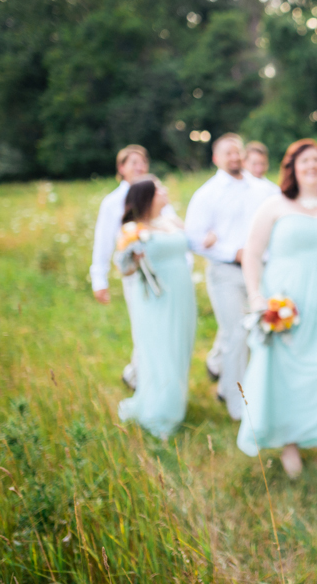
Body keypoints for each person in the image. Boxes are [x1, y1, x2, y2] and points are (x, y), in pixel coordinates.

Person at [237, 139, 317, 476]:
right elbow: (251, 252)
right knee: (287, 376)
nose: (312, 166)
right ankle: (289, 441)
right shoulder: (274, 205)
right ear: (291, 167)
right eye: (304, 161)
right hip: (288, 307)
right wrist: (255, 297)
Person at [184, 134, 276, 419]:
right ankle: (238, 405)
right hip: (225, 272)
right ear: (216, 158)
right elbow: (193, 238)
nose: (234, 157)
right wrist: (231, 251)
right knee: (235, 333)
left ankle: (234, 388)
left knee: (260, 332)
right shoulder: (207, 194)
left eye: (237, 152)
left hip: (262, 271)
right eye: (228, 153)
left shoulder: (263, 189)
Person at [90, 145, 177, 390]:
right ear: (121, 168)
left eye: (143, 162)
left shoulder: (157, 194)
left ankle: (139, 373)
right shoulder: (112, 203)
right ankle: (139, 376)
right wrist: (100, 279)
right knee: (144, 325)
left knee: (162, 326)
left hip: (164, 270)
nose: (139, 166)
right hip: (134, 273)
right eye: (133, 162)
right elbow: (104, 242)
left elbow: (171, 229)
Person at [117, 177, 197, 439]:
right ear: (148, 197)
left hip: (182, 295)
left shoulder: (172, 222)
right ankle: (160, 411)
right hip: (154, 298)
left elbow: (194, 242)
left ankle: (175, 400)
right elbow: (125, 269)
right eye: (160, 189)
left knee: (180, 347)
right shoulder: (133, 229)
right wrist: (134, 255)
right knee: (159, 349)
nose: (165, 192)